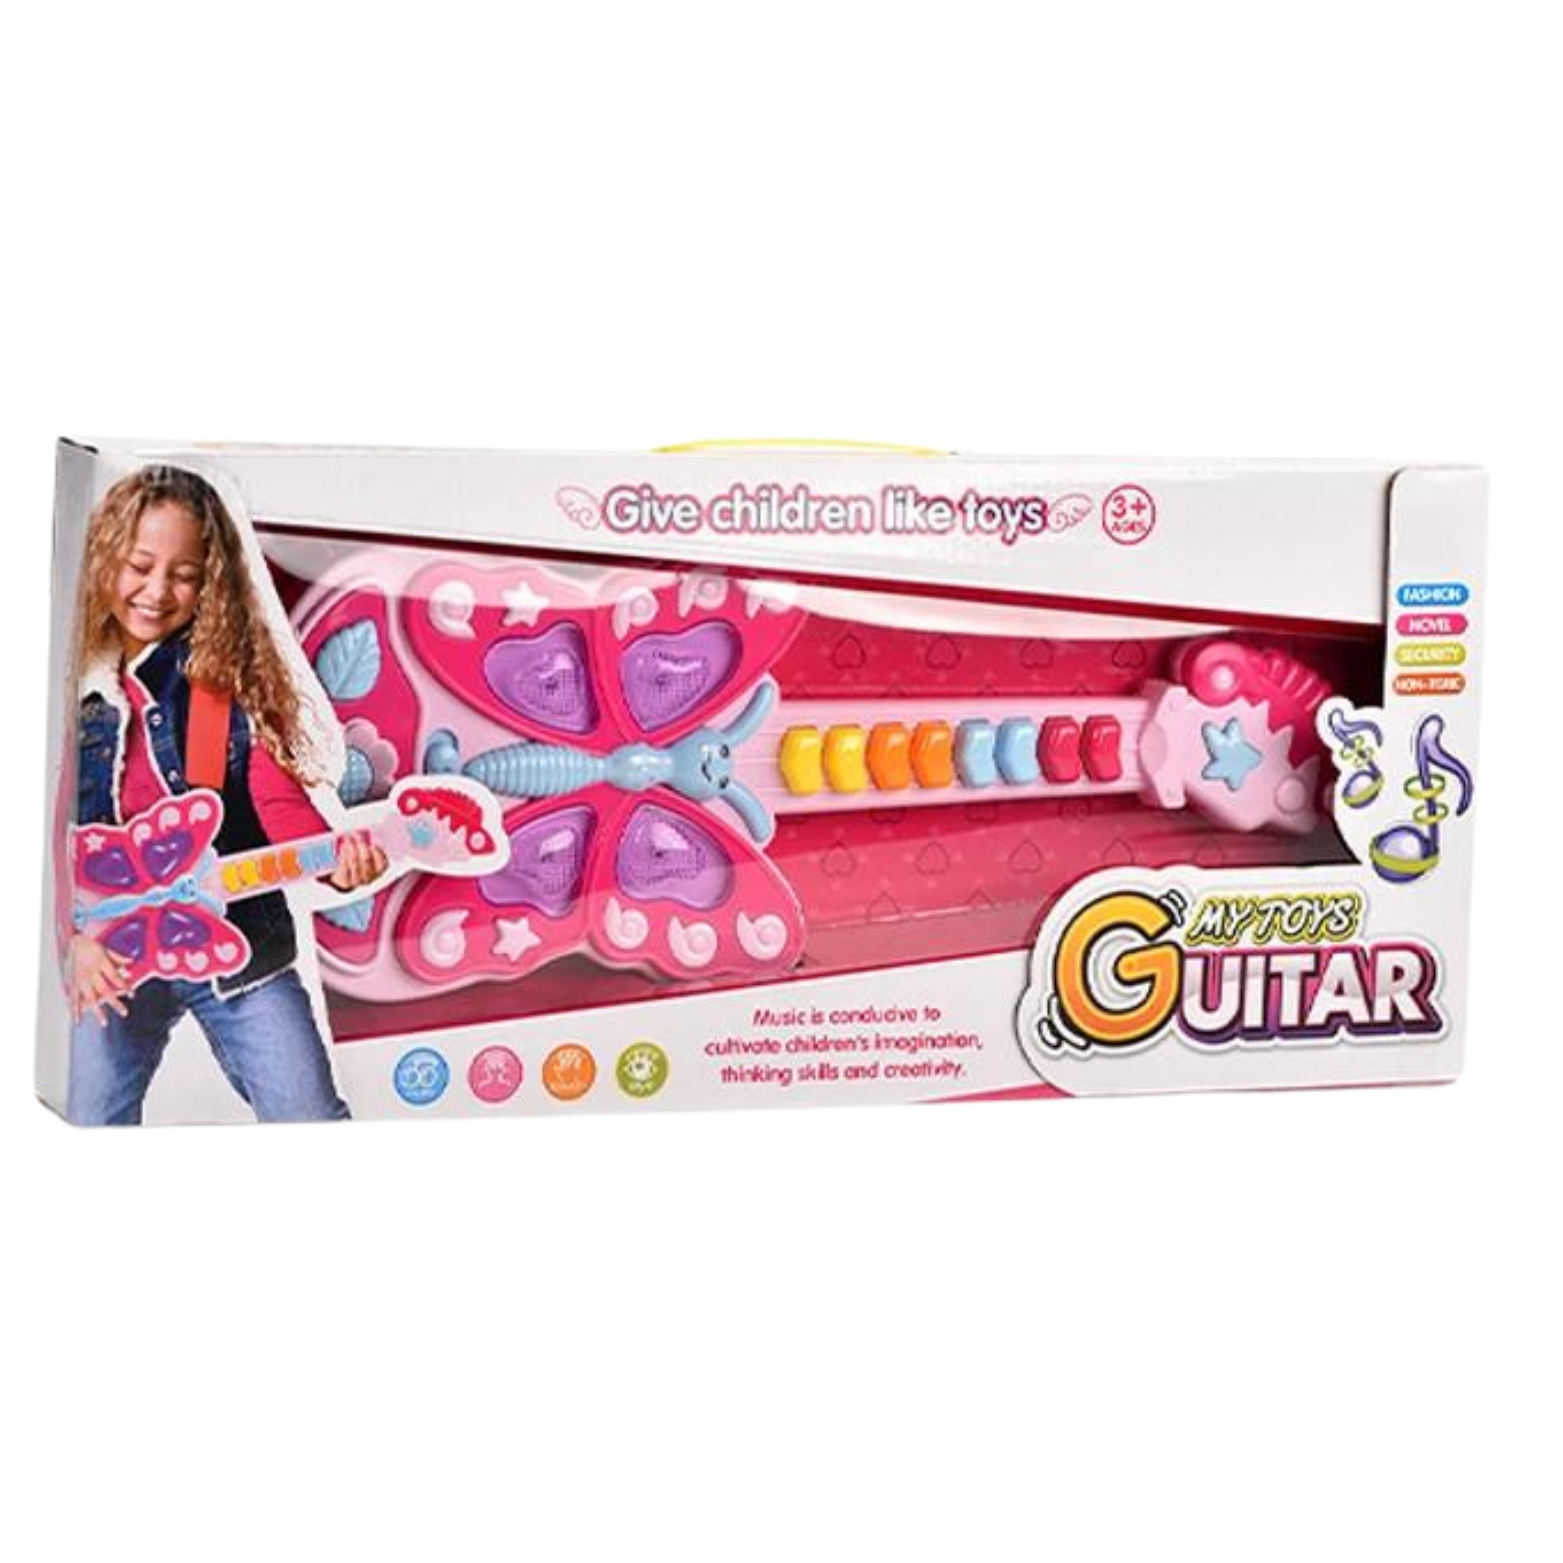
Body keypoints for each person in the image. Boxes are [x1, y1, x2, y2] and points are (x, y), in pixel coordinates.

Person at [66, 465, 384, 1124]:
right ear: (103, 560)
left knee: (308, 1115)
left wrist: (337, 859)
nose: (157, 590)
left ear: (211, 581)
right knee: (88, 1118)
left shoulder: (225, 686)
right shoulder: (70, 692)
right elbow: (42, 844)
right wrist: (72, 940)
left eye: (184, 574)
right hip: (110, 958)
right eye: (139, 566)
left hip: (242, 951)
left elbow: (278, 802)